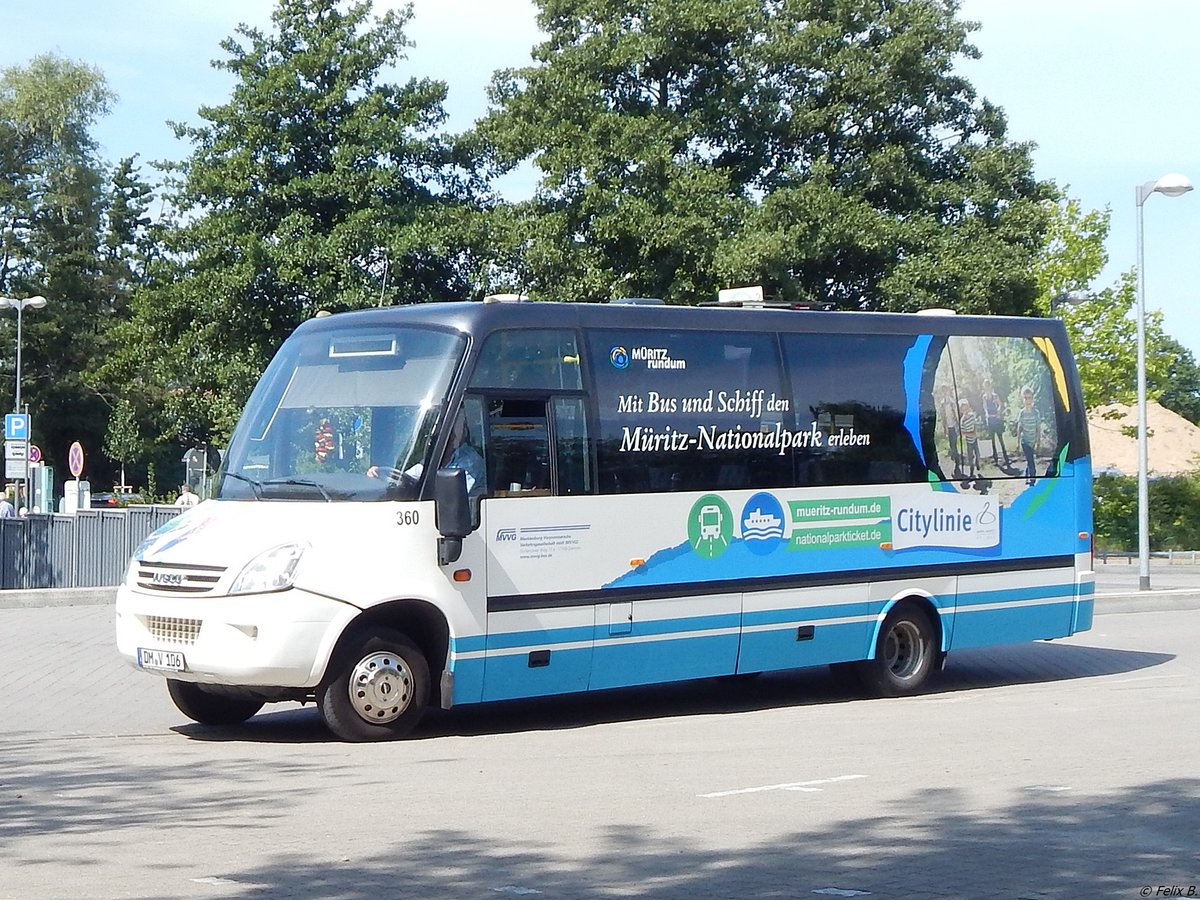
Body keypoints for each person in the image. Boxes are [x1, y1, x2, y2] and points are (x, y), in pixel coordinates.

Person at [368, 411, 486, 495]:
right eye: (433, 439)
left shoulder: (469, 461)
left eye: (443, 437)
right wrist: (379, 476)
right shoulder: (433, 461)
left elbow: (455, 496)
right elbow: (406, 479)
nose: (433, 443)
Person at [981, 378, 1010, 466]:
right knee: (992, 440)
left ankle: (1006, 458)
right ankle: (996, 458)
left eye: (988, 385)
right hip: (990, 419)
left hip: (996, 419)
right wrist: (986, 414)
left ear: (990, 386)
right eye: (986, 386)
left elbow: (1000, 404)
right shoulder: (984, 397)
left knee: (1000, 439)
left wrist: (998, 411)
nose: (987, 387)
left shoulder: (995, 396)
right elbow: (985, 407)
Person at [1017, 387, 1041, 485]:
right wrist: (1018, 442)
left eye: (1029, 398)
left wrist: (1038, 443)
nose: (1027, 400)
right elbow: (1019, 428)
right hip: (1025, 440)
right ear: (1023, 399)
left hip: (1033, 440)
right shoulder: (1022, 413)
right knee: (1030, 460)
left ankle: (1027, 475)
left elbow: (1038, 429)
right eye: (1025, 398)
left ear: (1032, 399)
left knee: (1029, 459)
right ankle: (1032, 477)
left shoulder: (1036, 413)